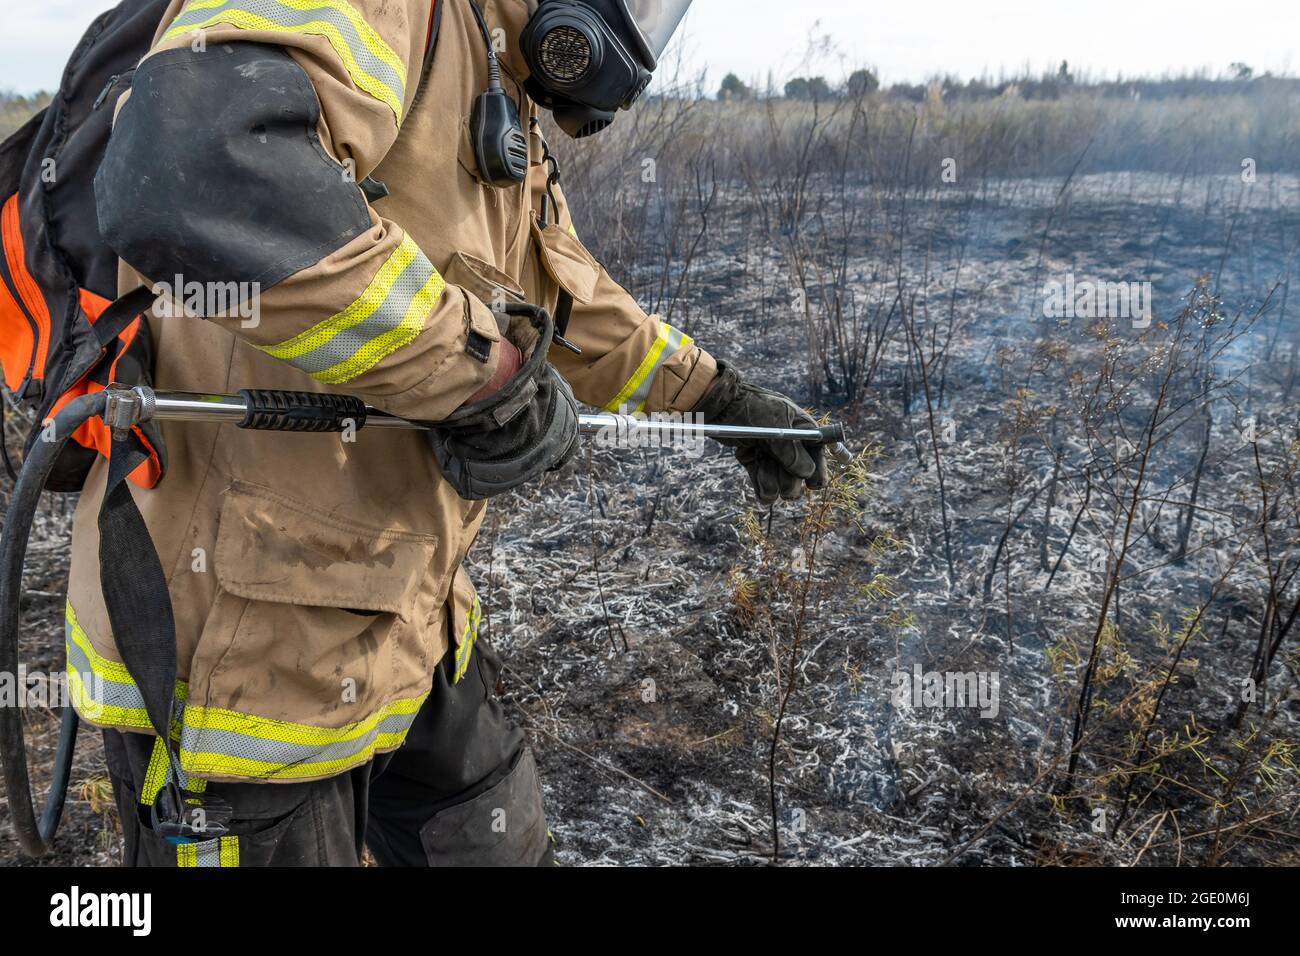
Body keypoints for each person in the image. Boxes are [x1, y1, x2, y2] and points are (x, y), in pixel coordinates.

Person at [70, 0, 825, 866]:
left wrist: (717, 397)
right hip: (236, 654)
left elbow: (563, 297)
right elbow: (190, 165)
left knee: (496, 839)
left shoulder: (487, 67)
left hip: (406, 611)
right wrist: (482, 375)